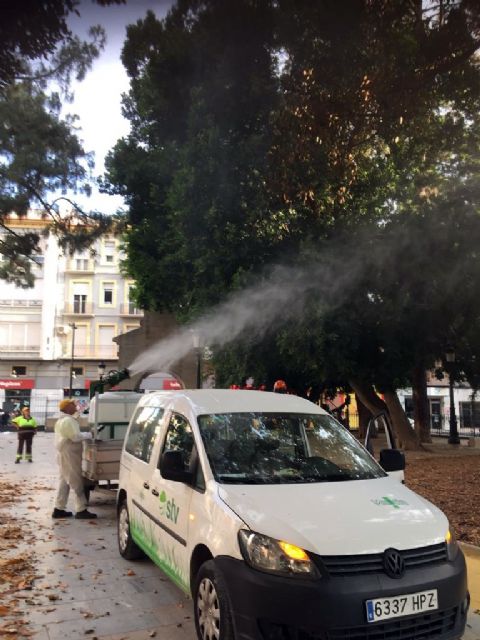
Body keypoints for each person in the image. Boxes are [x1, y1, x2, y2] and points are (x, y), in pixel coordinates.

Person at [52, 398, 97, 520]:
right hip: (70, 454)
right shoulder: (68, 420)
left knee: (64, 481)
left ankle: (58, 508)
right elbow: (75, 437)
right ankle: (81, 509)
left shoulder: (62, 420)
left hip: (64, 453)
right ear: (67, 408)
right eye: (73, 405)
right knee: (76, 480)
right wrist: (90, 434)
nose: (75, 407)